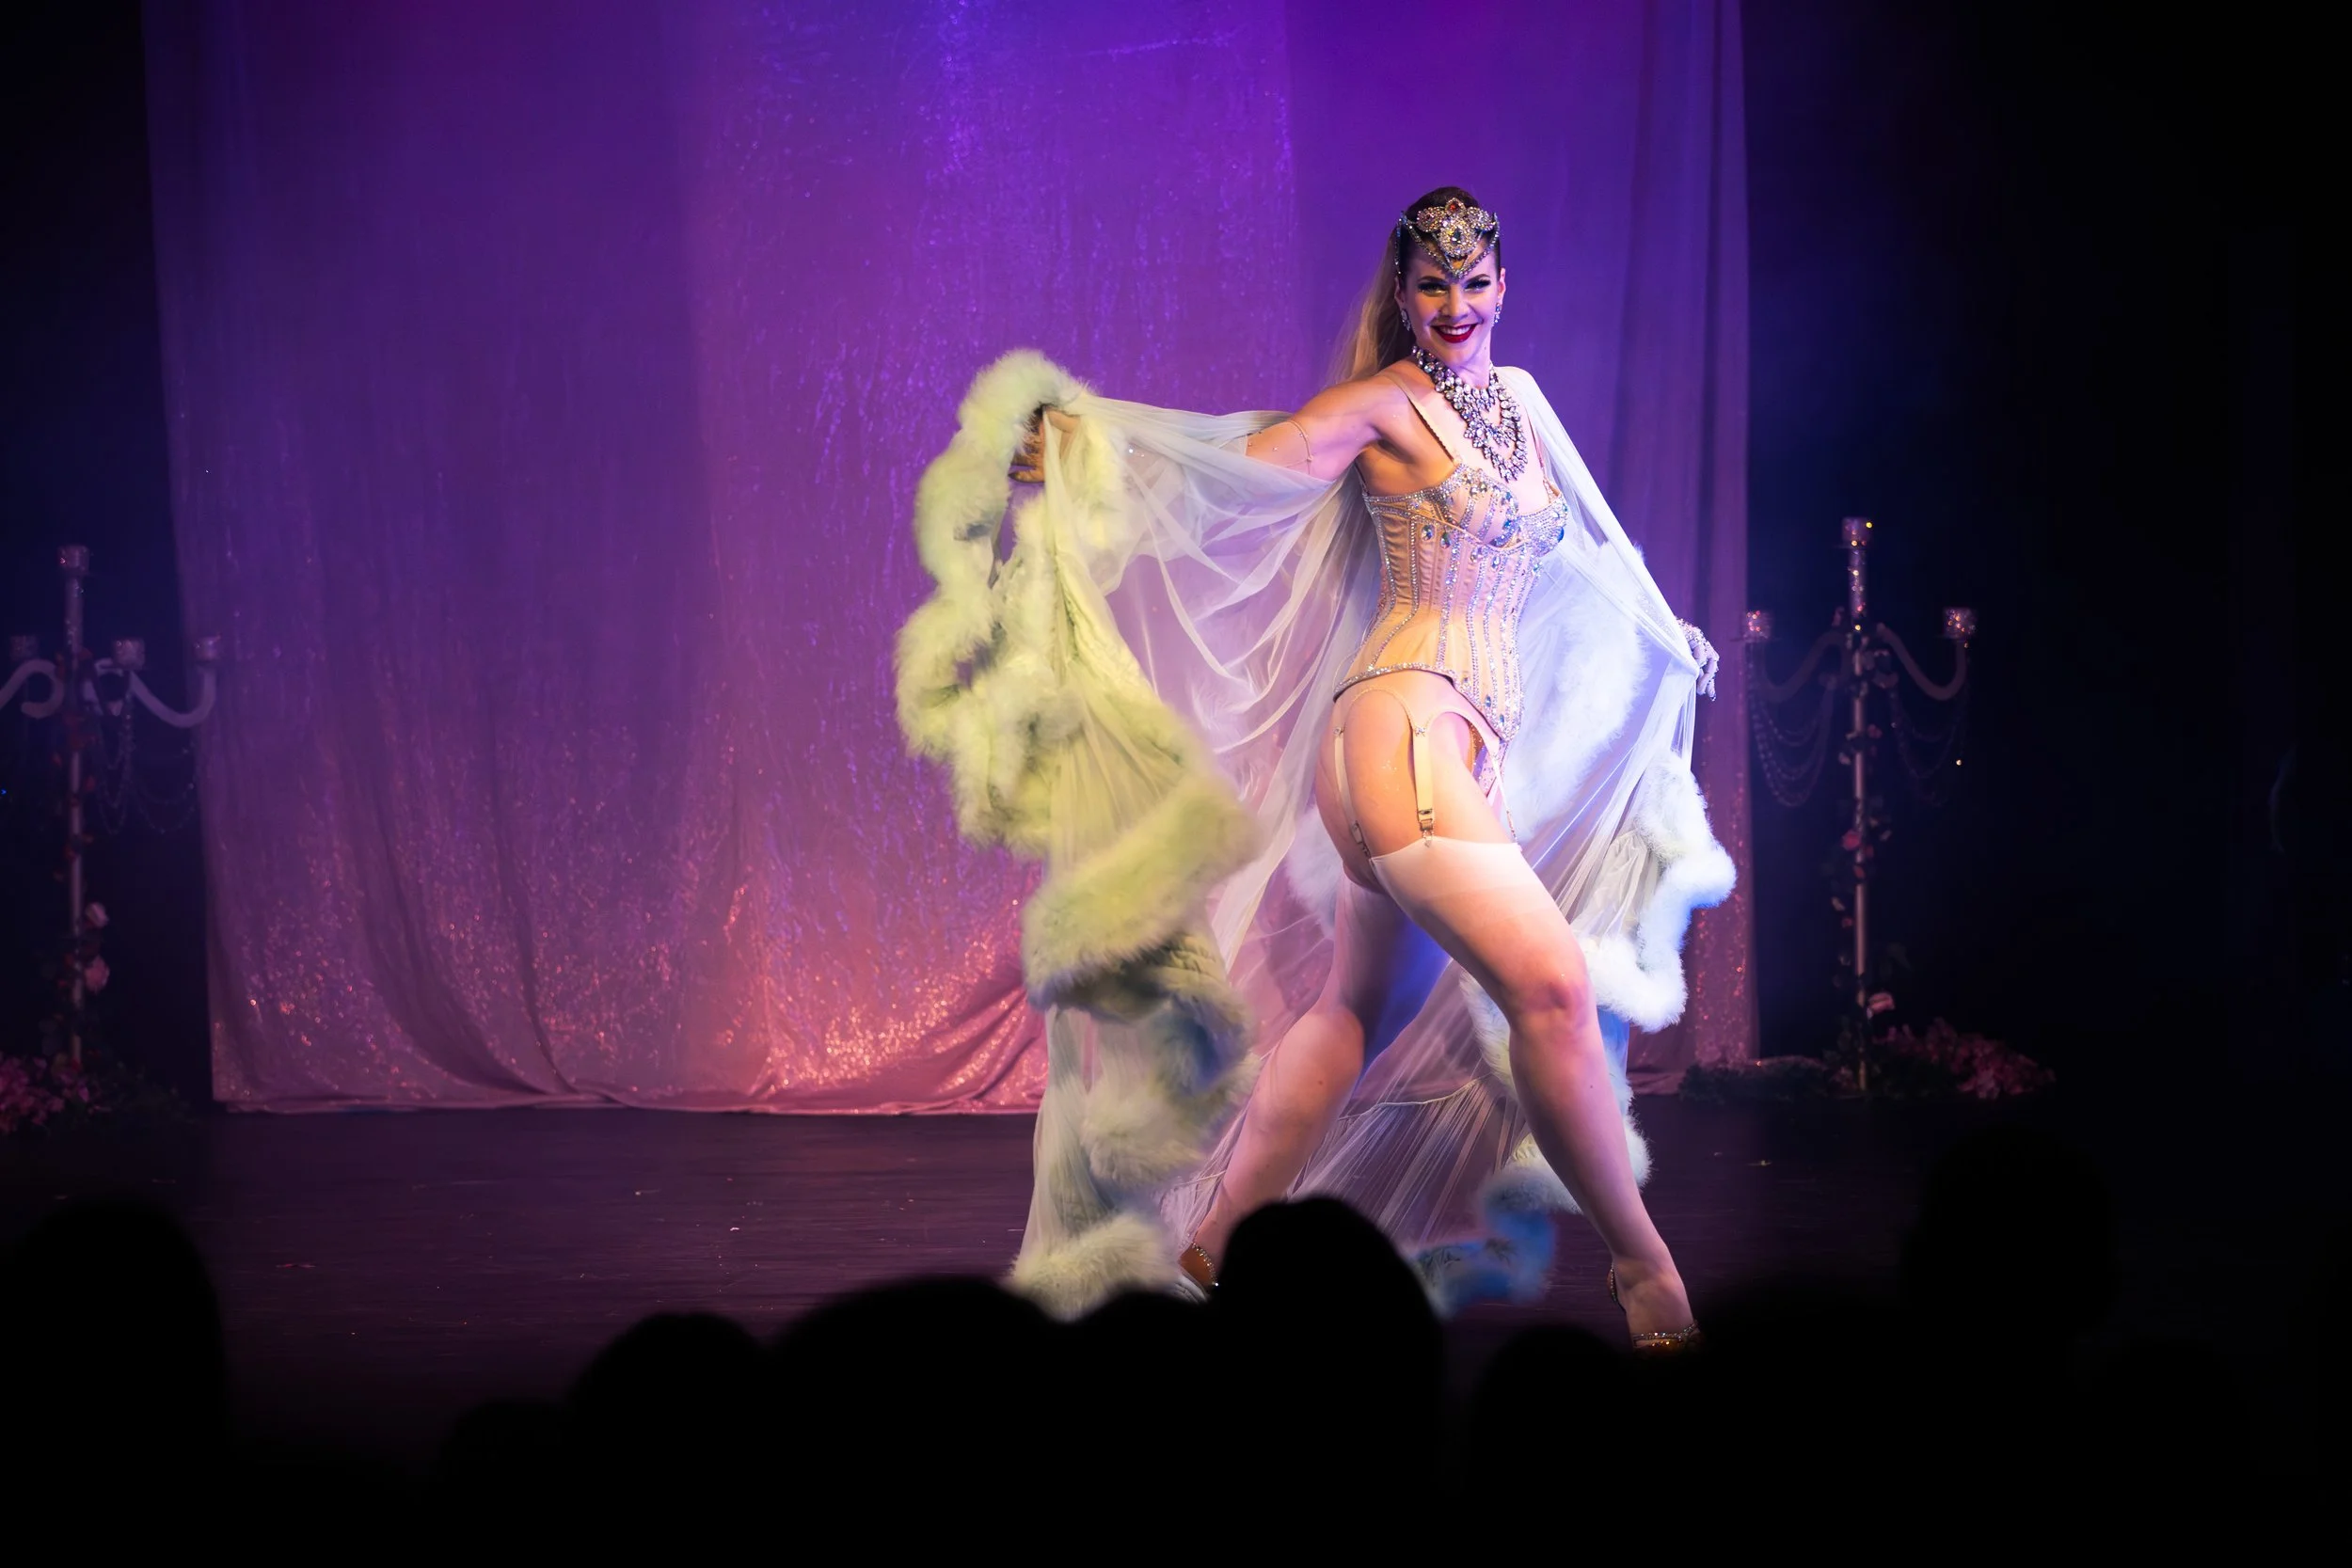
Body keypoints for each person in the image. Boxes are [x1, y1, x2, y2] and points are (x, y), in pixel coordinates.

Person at [900, 187, 1730, 1350]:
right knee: (1548, 988)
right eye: (1431, 285)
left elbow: (1591, 544)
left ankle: (1216, 1249)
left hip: (1437, 748)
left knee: (1349, 1012)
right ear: (1402, 294)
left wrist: (1661, 630)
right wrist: (1092, 443)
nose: (1454, 305)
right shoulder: (1384, 404)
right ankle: (1650, 1276)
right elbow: (1252, 460)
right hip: (1401, 734)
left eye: (1474, 282)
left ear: (1505, 285)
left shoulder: (1525, 409)